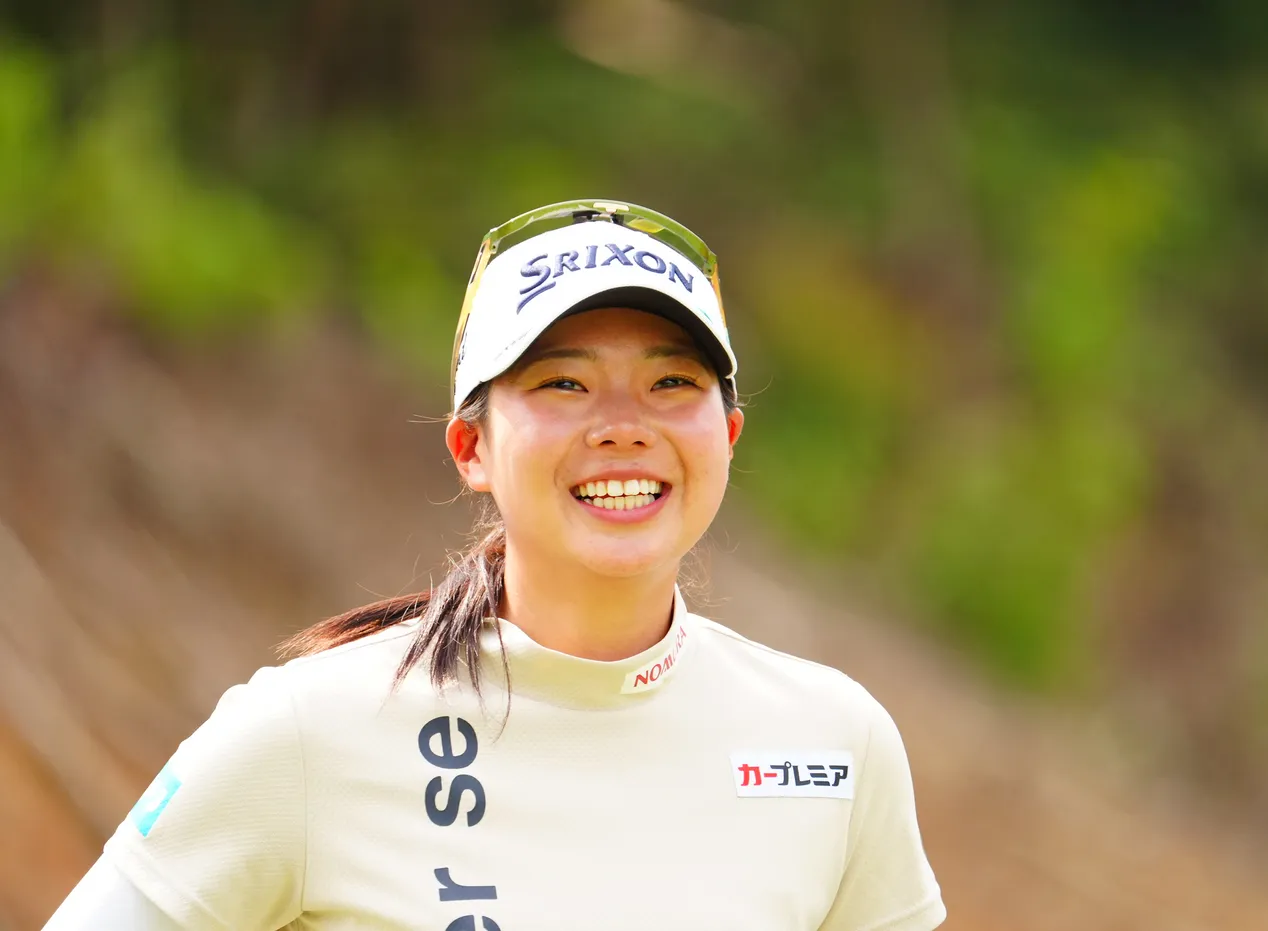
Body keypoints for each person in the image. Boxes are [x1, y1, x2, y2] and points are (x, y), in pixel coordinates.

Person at [44, 200, 947, 930]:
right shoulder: (309, 730)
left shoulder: (834, 743)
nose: (623, 425)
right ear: (472, 447)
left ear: (729, 433)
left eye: (672, 382)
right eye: (564, 383)